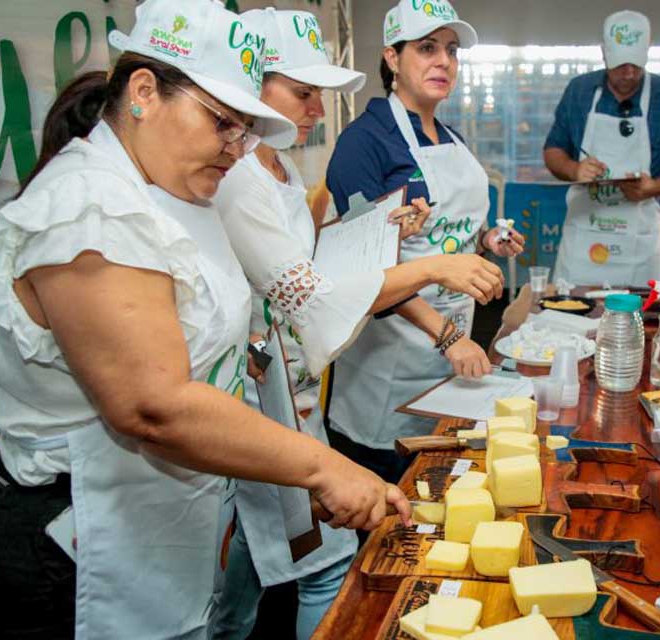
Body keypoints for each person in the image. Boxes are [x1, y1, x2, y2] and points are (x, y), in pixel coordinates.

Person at [0, 1, 410, 638]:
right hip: (77, 542)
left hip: (159, 519)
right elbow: (153, 405)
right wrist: (324, 467)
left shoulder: (171, 189)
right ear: (142, 93)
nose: (235, 148)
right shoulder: (87, 209)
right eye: (222, 123)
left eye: (245, 130)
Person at [208, 8, 504, 638]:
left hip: (296, 379)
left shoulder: (281, 169)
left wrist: (382, 231)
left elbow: (323, 253)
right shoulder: (249, 177)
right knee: (315, 558)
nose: (317, 109)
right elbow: (311, 294)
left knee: (252, 562)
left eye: (451, 49)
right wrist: (434, 276)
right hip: (288, 380)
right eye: (303, 93)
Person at [324, 0, 524, 485]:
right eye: (427, 48)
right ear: (392, 58)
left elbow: (445, 235)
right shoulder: (363, 144)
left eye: (452, 51)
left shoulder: (449, 136)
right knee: (389, 508)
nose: (444, 62)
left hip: (451, 358)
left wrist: (486, 239)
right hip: (389, 364)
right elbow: (362, 272)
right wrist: (449, 336)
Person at [543, 10, 660, 287]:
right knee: (568, 315)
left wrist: (652, 188)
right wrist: (574, 168)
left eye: (635, 64)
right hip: (584, 237)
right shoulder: (579, 91)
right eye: (619, 65)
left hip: (639, 239)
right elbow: (553, 150)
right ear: (604, 53)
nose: (628, 73)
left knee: (642, 317)